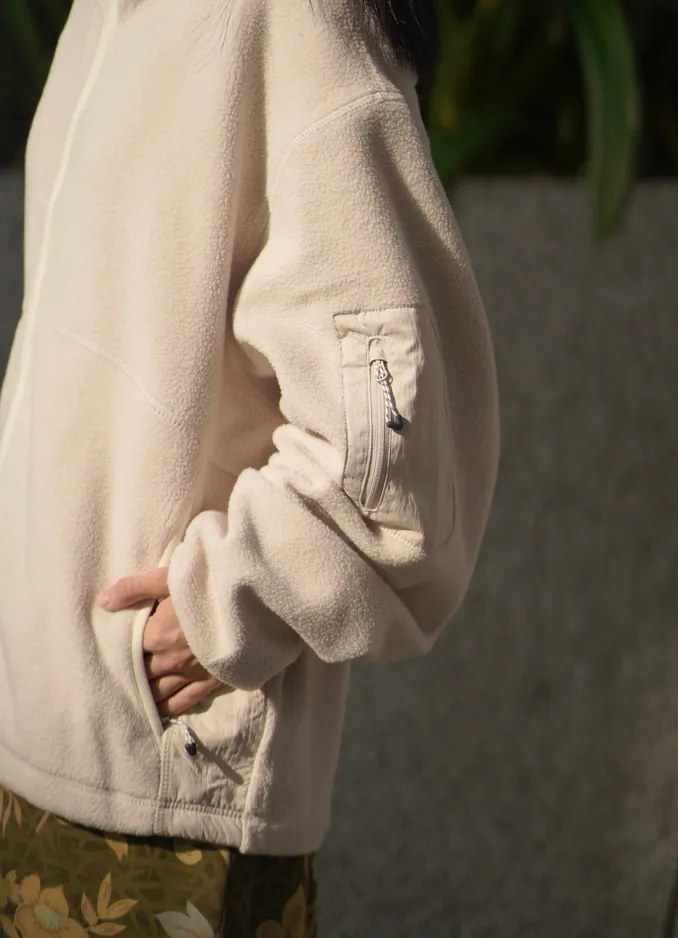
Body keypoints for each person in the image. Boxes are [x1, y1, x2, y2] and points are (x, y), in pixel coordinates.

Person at [0, 0, 500, 930]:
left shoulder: (296, 21)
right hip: (35, 744)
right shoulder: (100, 17)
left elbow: (392, 440)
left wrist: (225, 604)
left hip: (163, 795)